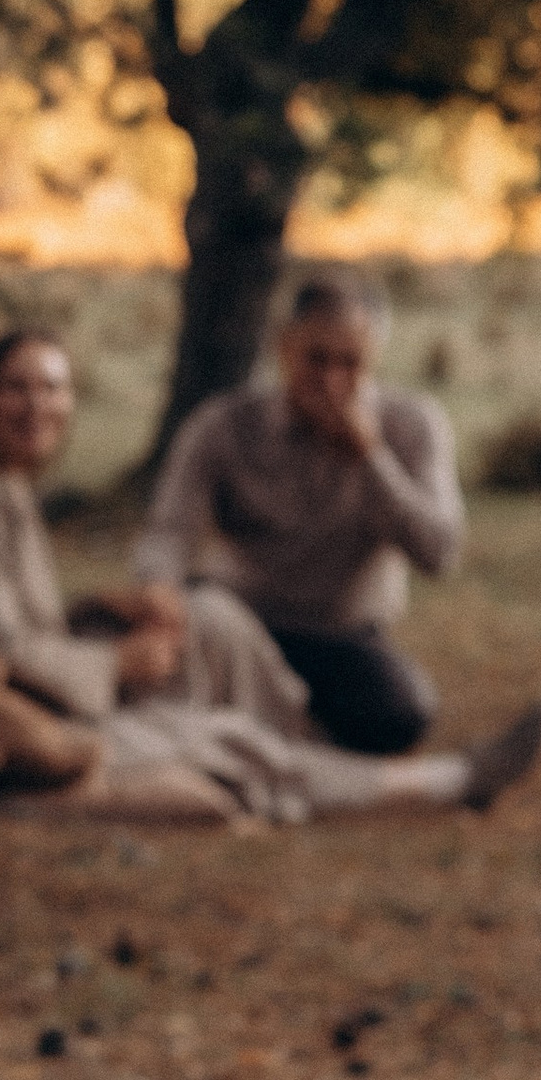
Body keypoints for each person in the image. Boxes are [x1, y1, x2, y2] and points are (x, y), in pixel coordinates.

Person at [0, 327, 541, 824]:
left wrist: (106, 606)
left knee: (212, 633)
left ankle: (348, 761)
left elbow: (5, 618)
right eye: (17, 388)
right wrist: (118, 658)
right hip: (13, 729)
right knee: (227, 741)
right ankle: (449, 782)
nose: (38, 406)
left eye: (53, 389)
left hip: (53, 701)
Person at [136, 273, 472, 755]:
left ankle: (269, 734)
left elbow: (440, 554)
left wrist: (371, 459)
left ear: (375, 356)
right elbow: (168, 533)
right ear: (284, 347)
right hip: (240, 622)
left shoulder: (412, 424)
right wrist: (157, 590)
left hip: (342, 634)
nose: (332, 381)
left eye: (350, 363)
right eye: (316, 359)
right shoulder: (225, 424)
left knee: (401, 715)